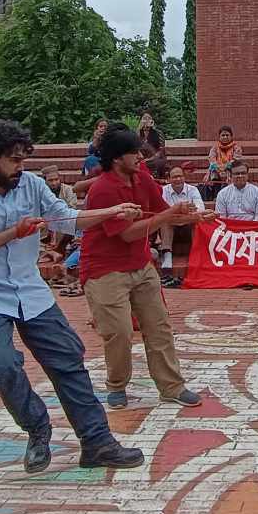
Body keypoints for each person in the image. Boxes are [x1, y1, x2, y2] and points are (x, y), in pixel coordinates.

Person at [0, 119, 145, 473]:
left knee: (68, 358)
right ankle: (37, 428)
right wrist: (12, 232)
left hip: (29, 289)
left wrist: (110, 212)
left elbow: (65, 219)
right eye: (14, 160)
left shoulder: (31, 185)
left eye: (23, 160)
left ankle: (96, 441)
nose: (21, 168)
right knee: (2, 365)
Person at [80, 124, 205, 410]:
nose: (140, 157)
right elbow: (128, 233)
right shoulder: (102, 190)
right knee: (120, 332)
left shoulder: (142, 179)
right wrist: (169, 216)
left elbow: (163, 213)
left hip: (140, 264)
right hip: (104, 270)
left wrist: (196, 217)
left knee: (159, 326)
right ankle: (117, 385)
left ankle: (172, 386)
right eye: (133, 152)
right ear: (116, 159)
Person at [157, 164, 205, 275]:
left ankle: (196, 254)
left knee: (198, 219)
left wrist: (176, 214)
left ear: (184, 177)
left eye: (180, 176)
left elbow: (200, 210)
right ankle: (167, 254)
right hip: (170, 228)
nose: (178, 179)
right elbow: (163, 212)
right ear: (168, 179)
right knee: (164, 220)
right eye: (174, 177)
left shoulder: (193, 190)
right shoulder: (163, 191)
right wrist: (184, 212)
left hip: (188, 227)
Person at [203, 125, 244, 200]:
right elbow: (211, 159)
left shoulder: (236, 147)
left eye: (227, 135)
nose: (225, 137)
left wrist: (226, 166)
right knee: (214, 172)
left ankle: (228, 195)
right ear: (219, 137)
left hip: (231, 169)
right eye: (223, 135)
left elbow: (236, 159)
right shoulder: (215, 147)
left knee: (228, 172)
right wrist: (219, 167)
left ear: (231, 136)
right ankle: (216, 194)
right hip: (217, 169)